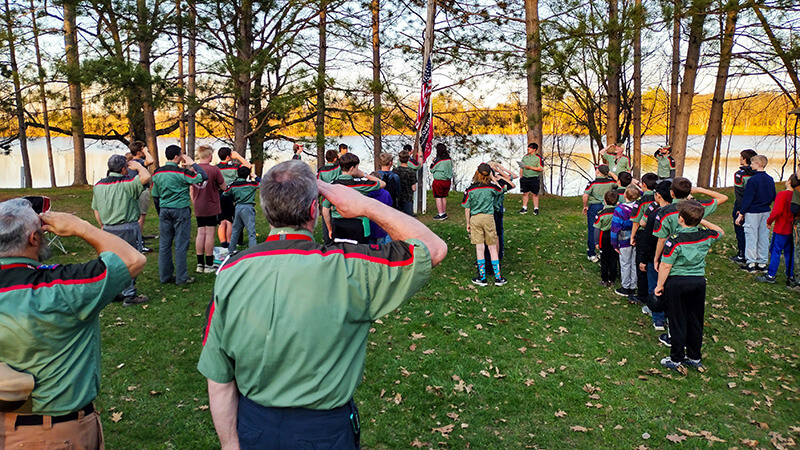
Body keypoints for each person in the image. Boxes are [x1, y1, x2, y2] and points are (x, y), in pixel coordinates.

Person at [197, 161, 447, 449]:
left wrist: (230, 444)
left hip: (254, 426)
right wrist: (365, 205)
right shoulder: (348, 266)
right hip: (323, 431)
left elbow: (219, 377)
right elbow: (433, 248)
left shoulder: (230, 274)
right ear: (314, 210)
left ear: (266, 210)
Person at [0, 199, 146, 448]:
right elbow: (132, 259)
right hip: (54, 432)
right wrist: (82, 227)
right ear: (34, 238)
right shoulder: (61, 287)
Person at [655, 200, 724, 373]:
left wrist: (659, 285)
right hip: (698, 282)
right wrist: (700, 220)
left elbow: (665, 265)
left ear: (680, 219)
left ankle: (676, 358)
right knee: (695, 319)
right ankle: (694, 356)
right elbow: (720, 231)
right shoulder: (706, 235)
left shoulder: (675, 240)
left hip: (677, 282)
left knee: (677, 320)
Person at [91, 154, 151, 307]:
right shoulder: (128, 183)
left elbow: (96, 209)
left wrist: (102, 226)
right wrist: (138, 166)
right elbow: (146, 177)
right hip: (127, 228)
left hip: (108, 228)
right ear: (124, 168)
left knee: (113, 262)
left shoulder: (98, 185)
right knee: (132, 260)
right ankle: (129, 295)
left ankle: (114, 291)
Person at [151, 144, 207, 285]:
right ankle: (182, 277)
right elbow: (203, 177)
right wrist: (193, 163)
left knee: (165, 244)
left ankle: (165, 276)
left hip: (164, 209)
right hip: (180, 209)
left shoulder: (157, 173)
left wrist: (160, 211)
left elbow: (155, 195)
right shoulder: (183, 173)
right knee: (181, 244)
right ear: (177, 157)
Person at [652, 177, 728, 271]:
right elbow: (723, 197)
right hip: (693, 253)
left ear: (672, 193)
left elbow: (661, 239)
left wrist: (656, 258)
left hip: (672, 252)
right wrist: (700, 190)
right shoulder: (697, 207)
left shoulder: (664, 212)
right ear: (689, 192)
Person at [322, 153, 386, 244]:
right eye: (357, 167)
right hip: (356, 224)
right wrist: (363, 174)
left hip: (338, 224)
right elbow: (382, 183)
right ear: (352, 168)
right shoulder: (360, 184)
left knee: (341, 252)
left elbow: (325, 210)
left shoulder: (332, 186)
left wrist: (329, 228)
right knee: (358, 253)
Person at [463, 163, 507, 286]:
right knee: (492, 247)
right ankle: (498, 277)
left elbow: (467, 208)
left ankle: (482, 277)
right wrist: (493, 179)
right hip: (489, 218)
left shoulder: (470, 189)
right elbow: (501, 190)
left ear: (477, 173)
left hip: (475, 218)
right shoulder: (492, 188)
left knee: (480, 247)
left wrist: (468, 223)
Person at [637, 180, 672, 331]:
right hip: (673, 258)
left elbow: (648, 239)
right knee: (668, 286)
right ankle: (669, 316)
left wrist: (643, 259)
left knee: (655, 286)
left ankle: (658, 318)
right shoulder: (679, 212)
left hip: (655, 257)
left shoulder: (656, 215)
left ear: (658, 196)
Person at [736, 155, 776, 273]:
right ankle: (762, 262)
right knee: (763, 236)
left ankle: (751, 262)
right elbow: (773, 196)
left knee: (751, 236)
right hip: (765, 211)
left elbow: (748, 198)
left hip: (753, 211)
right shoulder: (770, 179)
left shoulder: (753, 180)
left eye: (752, 163)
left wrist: (741, 213)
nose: (751, 165)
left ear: (758, 164)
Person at [191, 145, 227, 274]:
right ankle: (209, 264)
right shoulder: (214, 169)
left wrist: (194, 200)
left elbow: (191, 188)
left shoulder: (192, 169)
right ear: (208, 156)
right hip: (211, 204)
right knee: (210, 233)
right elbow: (223, 186)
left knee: (201, 232)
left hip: (198, 204)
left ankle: (199, 263)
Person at [758, 175, 798, 284]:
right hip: (792, 228)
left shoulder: (783, 195)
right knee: (789, 252)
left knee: (775, 251)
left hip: (781, 228)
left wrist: (769, 221)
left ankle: (771, 275)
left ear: (789, 182)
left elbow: (777, 211)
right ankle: (790, 274)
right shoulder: (796, 196)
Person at [629, 173, 659, 304]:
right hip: (659, 234)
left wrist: (632, 236)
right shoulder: (660, 197)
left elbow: (637, 221)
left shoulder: (641, 201)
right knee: (653, 261)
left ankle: (642, 294)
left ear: (644, 185)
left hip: (644, 234)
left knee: (641, 262)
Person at [216, 147, 252, 250]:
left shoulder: (216, 168)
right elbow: (247, 167)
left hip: (219, 194)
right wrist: (238, 157)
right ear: (228, 157)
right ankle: (230, 241)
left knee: (222, 220)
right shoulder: (235, 167)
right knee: (230, 221)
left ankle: (223, 243)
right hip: (232, 194)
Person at [582, 165, 618, 262]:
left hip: (594, 206)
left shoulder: (592, 183)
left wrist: (585, 205)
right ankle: (604, 250)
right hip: (608, 207)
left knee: (592, 228)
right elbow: (619, 181)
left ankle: (592, 253)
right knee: (607, 228)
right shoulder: (611, 182)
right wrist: (610, 173)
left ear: (598, 172)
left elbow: (585, 195)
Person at [611, 185, 641, 300]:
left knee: (625, 263)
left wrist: (614, 242)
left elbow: (615, 227)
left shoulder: (620, 210)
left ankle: (625, 286)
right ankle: (633, 285)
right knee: (634, 262)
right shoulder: (639, 208)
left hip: (624, 239)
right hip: (637, 238)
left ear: (624, 195)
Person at [730, 149, 758, 264]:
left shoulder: (739, 175)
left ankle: (742, 254)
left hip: (742, 206)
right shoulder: (758, 174)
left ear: (745, 159)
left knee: (740, 230)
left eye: (741, 157)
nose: (740, 158)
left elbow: (740, 194)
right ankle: (753, 254)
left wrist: (742, 210)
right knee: (753, 231)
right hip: (755, 205)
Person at [128, 141, 155, 251]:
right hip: (141, 190)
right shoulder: (139, 162)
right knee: (141, 217)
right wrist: (146, 151)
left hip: (131, 190)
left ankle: (136, 239)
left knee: (134, 216)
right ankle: (138, 242)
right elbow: (151, 161)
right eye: (143, 149)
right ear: (139, 152)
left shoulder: (129, 162)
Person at [225, 166, 260, 250]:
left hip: (237, 207)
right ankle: (253, 250)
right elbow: (265, 184)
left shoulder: (233, 185)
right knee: (251, 231)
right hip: (248, 207)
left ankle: (231, 249)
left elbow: (225, 194)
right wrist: (255, 177)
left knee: (236, 230)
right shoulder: (251, 184)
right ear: (248, 175)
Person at [594, 190, 619, 287]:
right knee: (613, 258)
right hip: (615, 235)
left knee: (604, 259)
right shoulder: (618, 212)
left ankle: (604, 279)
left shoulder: (601, 213)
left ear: (605, 201)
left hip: (604, 236)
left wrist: (596, 242)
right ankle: (612, 279)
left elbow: (597, 229)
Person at [518, 142, 543, 215]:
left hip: (534, 178)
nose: (528, 149)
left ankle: (536, 209)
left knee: (534, 193)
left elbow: (540, 168)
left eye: (530, 148)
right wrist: (521, 176)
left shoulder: (538, 158)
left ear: (534, 149)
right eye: (528, 147)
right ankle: (524, 208)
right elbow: (521, 167)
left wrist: (530, 167)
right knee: (525, 193)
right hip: (525, 178)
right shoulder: (525, 157)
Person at [431, 143, 454, 220]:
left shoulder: (438, 160)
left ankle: (441, 214)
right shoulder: (449, 159)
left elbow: (432, 169)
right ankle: (443, 212)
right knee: (443, 196)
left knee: (438, 197)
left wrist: (432, 161)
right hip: (447, 181)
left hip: (439, 181)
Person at [393, 149, 418, 216]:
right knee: (408, 218)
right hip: (407, 198)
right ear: (408, 159)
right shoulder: (411, 171)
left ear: (399, 159)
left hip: (397, 198)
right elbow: (414, 188)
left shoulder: (395, 171)